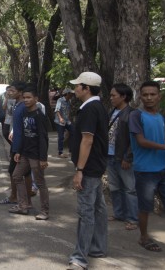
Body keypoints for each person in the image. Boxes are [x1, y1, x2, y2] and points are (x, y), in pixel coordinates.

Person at [129, 80, 165, 252]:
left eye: (152, 94)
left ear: (159, 96)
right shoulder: (136, 116)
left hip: (164, 169)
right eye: (145, 94)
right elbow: (142, 141)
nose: (148, 98)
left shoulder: (160, 117)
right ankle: (144, 237)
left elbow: (158, 140)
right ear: (140, 96)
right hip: (145, 170)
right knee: (145, 207)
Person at [67, 72, 108, 270]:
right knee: (98, 208)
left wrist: (79, 170)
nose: (75, 89)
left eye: (78, 86)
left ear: (86, 88)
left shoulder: (91, 109)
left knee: (86, 212)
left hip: (89, 168)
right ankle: (98, 247)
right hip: (96, 165)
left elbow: (88, 139)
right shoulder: (96, 106)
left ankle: (80, 258)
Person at [8, 87, 49, 219]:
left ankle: (44, 211)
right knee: (16, 175)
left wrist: (43, 158)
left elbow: (43, 138)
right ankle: (23, 205)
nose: (26, 100)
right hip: (25, 153)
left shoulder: (39, 116)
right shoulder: (25, 113)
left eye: (29, 97)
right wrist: (18, 151)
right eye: (24, 97)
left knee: (40, 182)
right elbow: (24, 135)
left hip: (36, 155)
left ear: (36, 99)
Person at [107, 83, 138, 230]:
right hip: (110, 155)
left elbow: (134, 139)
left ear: (124, 96)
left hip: (123, 157)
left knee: (129, 188)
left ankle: (132, 218)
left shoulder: (131, 114)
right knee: (114, 187)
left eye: (114, 95)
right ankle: (119, 213)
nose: (111, 98)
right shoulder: (112, 112)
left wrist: (128, 157)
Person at [0, 82, 35, 205]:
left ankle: (20, 199)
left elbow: (27, 127)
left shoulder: (24, 106)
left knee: (16, 173)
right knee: (20, 172)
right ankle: (21, 198)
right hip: (16, 144)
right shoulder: (16, 105)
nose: (9, 92)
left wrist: (19, 148)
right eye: (9, 90)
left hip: (22, 146)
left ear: (20, 92)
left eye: (12, 90)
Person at [54, 88, 74, 158]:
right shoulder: (60, 100)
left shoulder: (69, 101)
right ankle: (60, 152)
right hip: (60, 121)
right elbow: (57, 110)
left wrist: (68, 119)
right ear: (67, 94)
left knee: (73, 132)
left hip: (67, 121)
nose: (72, 95)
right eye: (71, 94)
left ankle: (71, 150)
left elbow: (68, 111)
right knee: (61, 137)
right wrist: (60, 118)